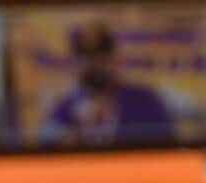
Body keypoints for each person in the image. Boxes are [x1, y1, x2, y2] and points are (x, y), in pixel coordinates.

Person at [44, 22, 175, 147]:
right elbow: (44, 147)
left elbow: (169, 147)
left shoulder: (145, 102)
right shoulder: (63, 110)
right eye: (87, 58)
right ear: (75, 63)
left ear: (115, 58)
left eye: (102, 58)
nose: (95, 65)